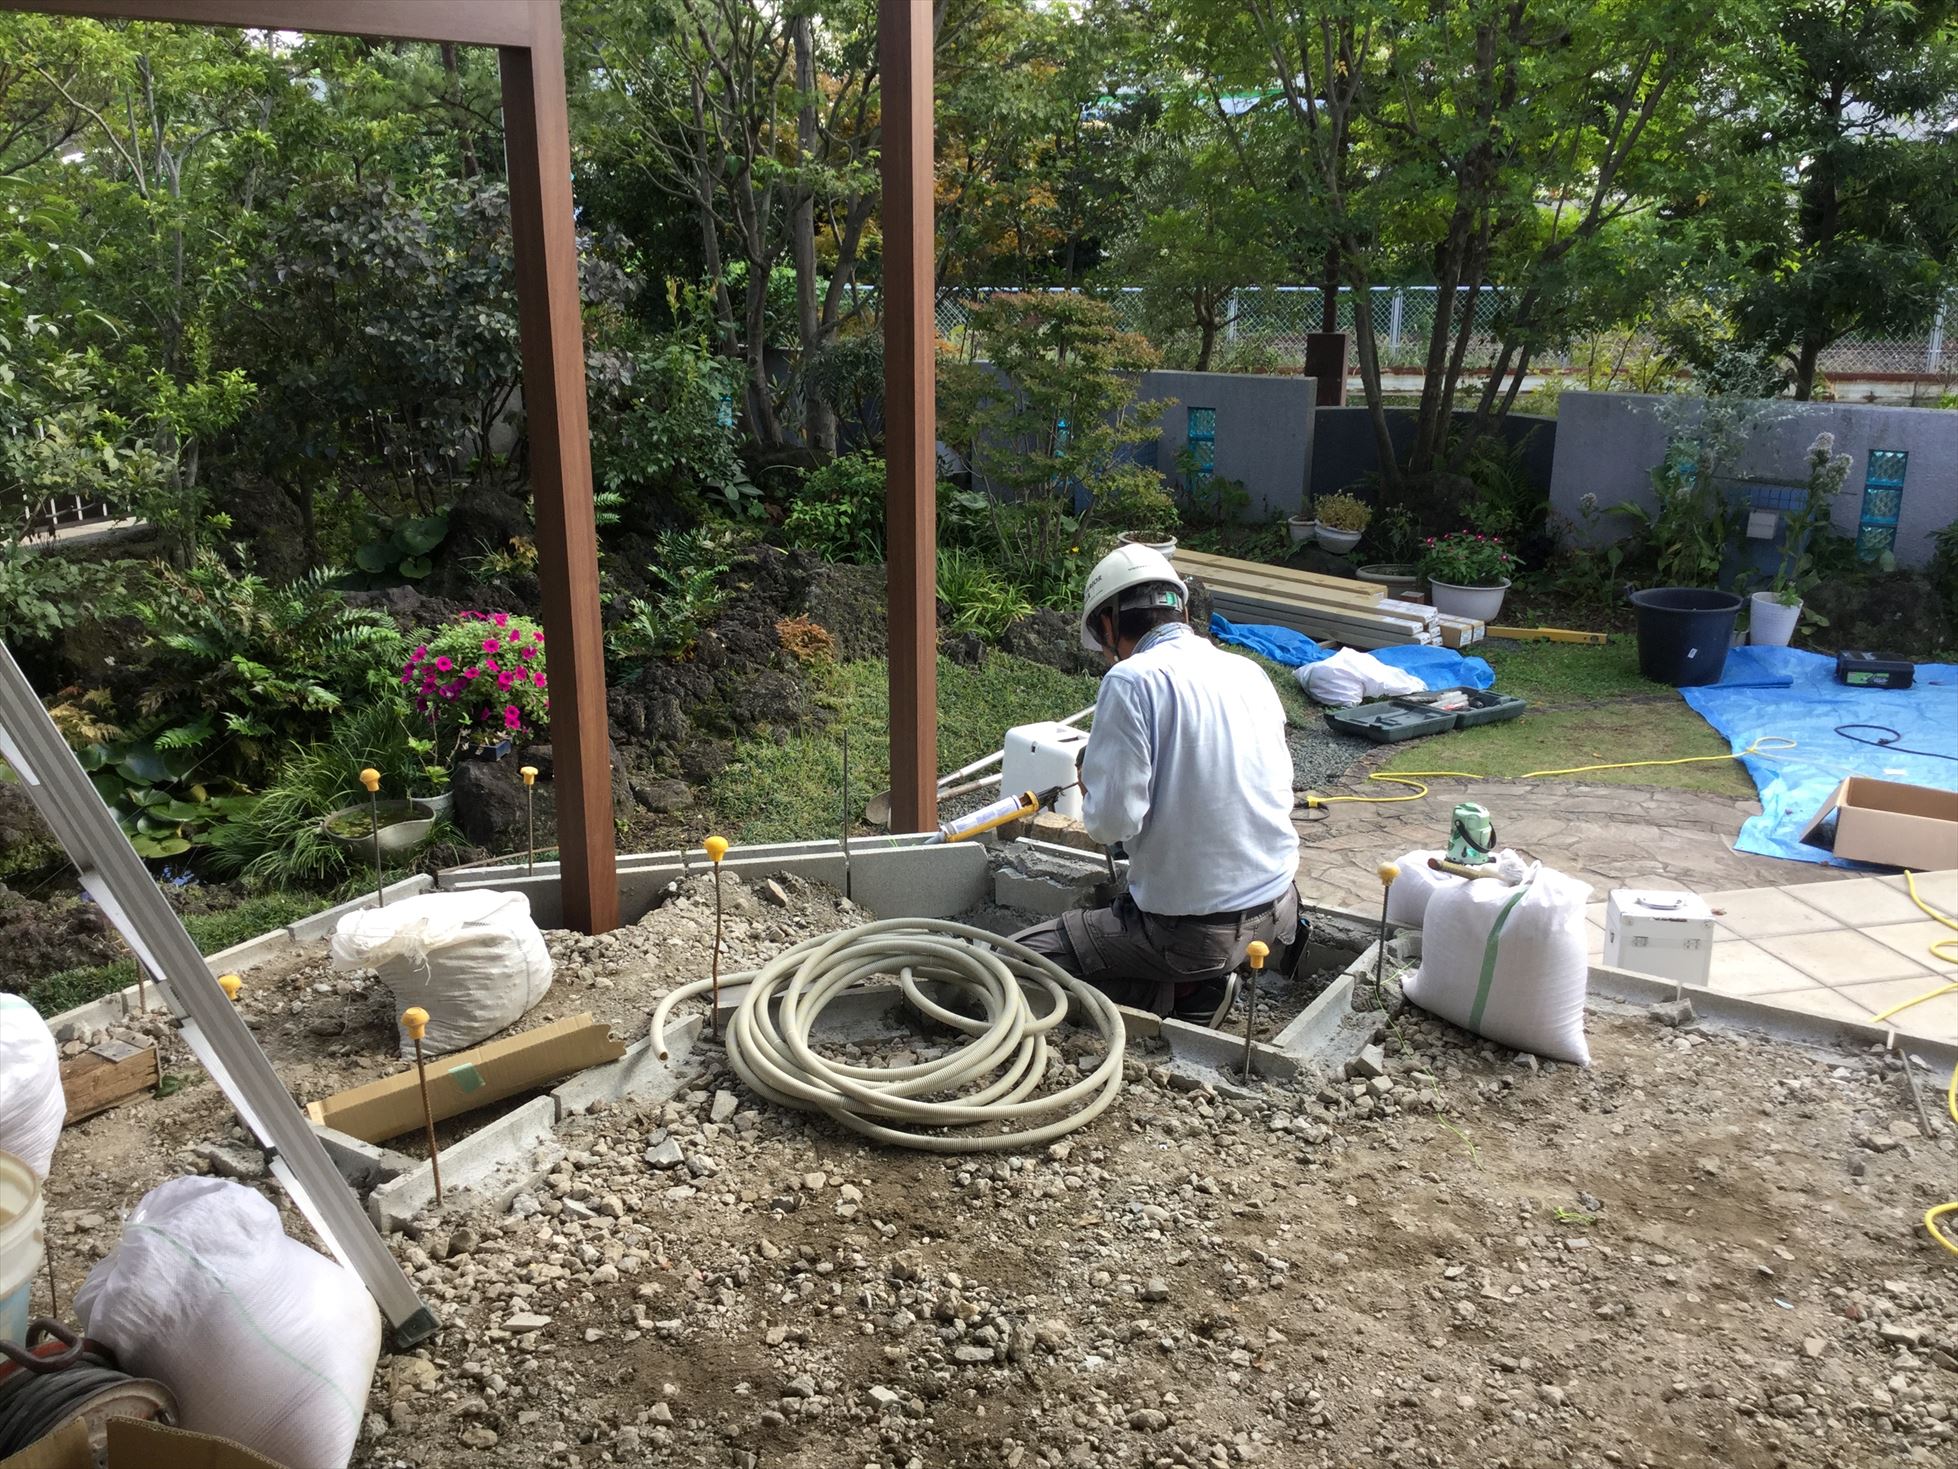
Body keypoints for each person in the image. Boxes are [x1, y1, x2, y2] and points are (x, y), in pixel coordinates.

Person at [1013, 543, 1301, 1021]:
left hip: (1199, 936)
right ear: (1181, 609)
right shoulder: (1248, 671)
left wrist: (1093, 789)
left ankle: (1190, 993)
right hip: (1279, 912)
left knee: (1011, 961)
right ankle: (1209, 974)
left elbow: (1111, 825)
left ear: (1108, 625)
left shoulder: (1131, 680)